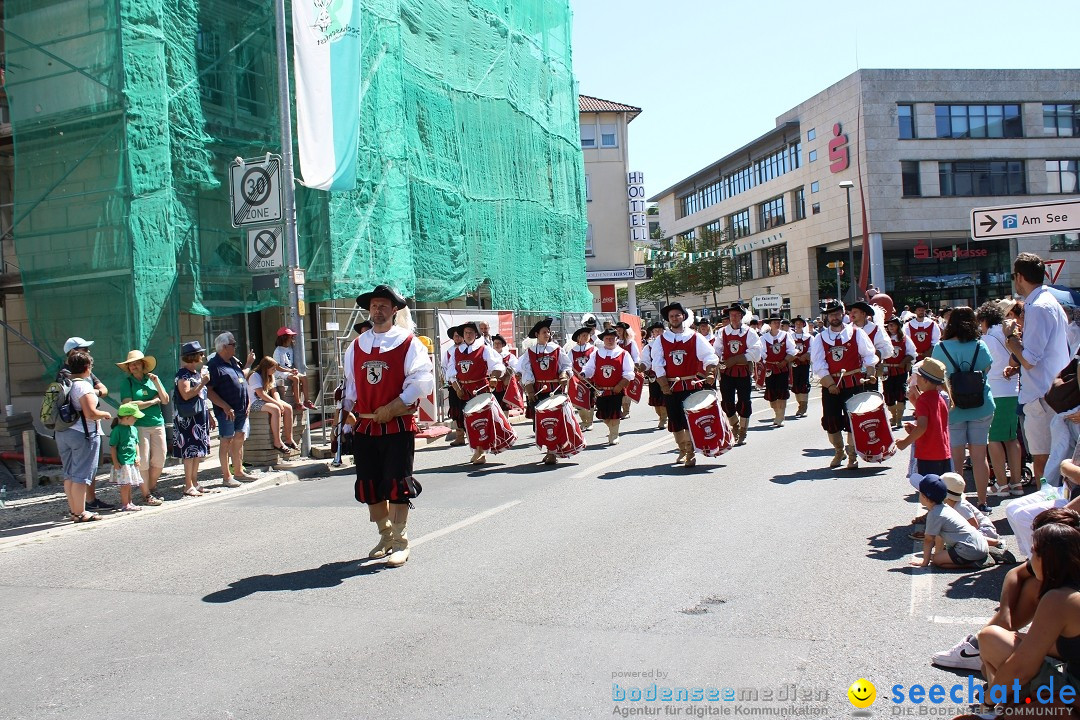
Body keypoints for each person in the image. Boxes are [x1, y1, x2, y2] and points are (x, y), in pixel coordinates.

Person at [342, 285, 434, 568]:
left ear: (395, 310)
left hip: (397, 426)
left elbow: (422, 380)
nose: (377, 309)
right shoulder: (356, 345)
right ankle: (385, 535)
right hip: (366, 427)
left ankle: (400, 541)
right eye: (374, 305)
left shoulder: (408, 342)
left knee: (396, 482)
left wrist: (394, 407)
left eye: (384, 305)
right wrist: (345, 418)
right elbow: (352, 386)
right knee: (369, 483)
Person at [934, 507, 1080, 671]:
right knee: (1034, 584)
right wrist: (1005, 612)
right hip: (1068, 635)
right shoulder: (1060, 556)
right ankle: (979, 648)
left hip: (1072, 643)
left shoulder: (1062, 591)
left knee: (997, 644)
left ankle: (987, 650)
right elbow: (1015, 573)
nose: (1033, 549)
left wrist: (993, 693)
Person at [976, 523, 1080, 714]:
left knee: (990, 640)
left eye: (1033, 553)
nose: (1030, 560)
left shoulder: (1060, 600)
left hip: (1074, 693)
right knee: (992, 661)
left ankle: (999, 710)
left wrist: (988, 701)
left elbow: (1022, 667)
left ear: (1048, 558)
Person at [1005, 253, 1072, 483]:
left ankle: (1046, 512)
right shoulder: (1050, 302)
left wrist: (1011, 341)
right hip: (1054, 392)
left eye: (1014, 276)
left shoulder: (1037, 306)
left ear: (1020, 277)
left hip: (1042, 396)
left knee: (1043, 462)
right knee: (1059, 460)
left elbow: (1030, 359)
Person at [932, 306, 996, 512]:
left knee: (956, 458)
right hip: (981, 406)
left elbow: (936, 379)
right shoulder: (980, 345)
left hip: (953, 407)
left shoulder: (940, 348)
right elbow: (986, 370)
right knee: (979, 456)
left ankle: (956, 502)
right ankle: (982, 502)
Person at [810, 301, 878, 469]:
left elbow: (869, 355)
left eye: (837, 313)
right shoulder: (820, 338)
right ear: (827, 317)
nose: (834, 317)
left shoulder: (857, 333)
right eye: (831, 314)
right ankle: (839, 451)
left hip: (853, 383)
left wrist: (870, 374)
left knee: (853, 420)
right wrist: (830, 383)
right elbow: (818, 363)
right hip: (831, 385)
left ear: (843, 314)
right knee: (831, 420)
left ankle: (852, 455)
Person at [652, 302, 719, 467]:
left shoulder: (695, 337)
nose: (674, 318)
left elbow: (709, 356)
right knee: (675, 420)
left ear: (683, 317)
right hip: (671, 386)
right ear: (668, 319)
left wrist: (710, 372)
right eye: (671, 316)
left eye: (677, 315)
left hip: (691, 384)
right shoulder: (661, 340)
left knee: (690, 419)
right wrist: (663, 385)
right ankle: (681, 449)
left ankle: (690, 452)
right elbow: (657, 363)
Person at [979, 300, 1026, 497]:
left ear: (984, 320)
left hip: (994, 391)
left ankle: (1001, 484)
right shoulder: (1010, 333)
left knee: (994, 439)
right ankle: (1016, 483)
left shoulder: (986, 339)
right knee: (1011, 438)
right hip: (1013, 390)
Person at [58, 351, 112, 522]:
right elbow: (90, 413)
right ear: (87, 367)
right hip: (83, 434)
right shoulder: (83, 386)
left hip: (62, 432)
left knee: (69, 475)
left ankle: (75, 512)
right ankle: (81, 512)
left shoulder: (66, 382)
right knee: (80, 476)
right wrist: (104, 413)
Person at [445, 322, 506, 464]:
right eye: (466, 332)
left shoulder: (484, 349)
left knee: (480, 421)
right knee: (469, 422)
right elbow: (450, 371)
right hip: (463, 391)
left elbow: (497, 365)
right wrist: (457, 388)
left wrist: (494, 377)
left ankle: (480, 451)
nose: (468, 335)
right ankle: (477, 449)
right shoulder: (456, 351)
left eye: (471, 332)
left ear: (476, 334)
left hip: (480, 391)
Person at [518, 317, 572, 465]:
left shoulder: (557, 349)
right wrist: (529, 391)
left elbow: (566, 366)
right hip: (538, 392)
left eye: (548, 332)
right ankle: (550, 448)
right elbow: (526, 371)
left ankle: (552, 452)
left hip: (554, 390)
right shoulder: (529, 352)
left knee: (553, 421)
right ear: (537, 334)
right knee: (540, 423)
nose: (547, 334)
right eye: (544, 332)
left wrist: (563, 375)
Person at [117, 349, 168, 506]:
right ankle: (147, 494)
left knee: (160, 458)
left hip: (157, 422)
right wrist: (152, 402)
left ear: (143, 364)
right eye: (130, 365)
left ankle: (151, 487)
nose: (133, 367)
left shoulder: (152, 380)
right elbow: (129, 404)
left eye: (136, 363)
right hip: (139, 425)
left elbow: (165, 400)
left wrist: (157, 382)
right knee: (143, 461)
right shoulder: (127, 383)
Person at [207, 332, 256, 488]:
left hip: (241, 408)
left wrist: (247, 402)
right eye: (233, 344)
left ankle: (239, 471)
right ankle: (226, 476)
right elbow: (209, 391)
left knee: (239, 438)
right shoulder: (214, 365)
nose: (236, 347)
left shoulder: (233, 362)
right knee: (226, 441)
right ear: (224, 347)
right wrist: (225, 406)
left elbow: (241, 379)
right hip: (227, 411)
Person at [910, 474, 990, 569]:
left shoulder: (935, 514)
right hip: (980, 544)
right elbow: (939, 536)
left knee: (937, 561)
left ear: (924, 497)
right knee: (938, 556)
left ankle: (973, 564)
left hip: (969, 549)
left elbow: (929, 539)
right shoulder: (945, 508)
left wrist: (925, 562)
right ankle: (979, 558)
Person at [896, 357, 952, 477]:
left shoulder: (923, 400)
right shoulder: (941, 398)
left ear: (926, 380)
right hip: (943, 453)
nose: (917, 381)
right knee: (942, 490)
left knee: (928, 492)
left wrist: (905, 442)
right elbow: (934, 424)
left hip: (928, 454)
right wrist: (914, 430)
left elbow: (922, 427)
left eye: (918, 377)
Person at [714, 303, 760, 446]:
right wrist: (717, 361)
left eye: (737, 314)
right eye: (732, 315)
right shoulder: (722, 332)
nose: (734, 317)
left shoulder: (749, 332)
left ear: (741, 316)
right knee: (727, 402)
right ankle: (735, 426)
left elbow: (757, 352)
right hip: (727, 371)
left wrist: (737, 359)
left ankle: (743, 431)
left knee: (744, 401)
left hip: (742, 371)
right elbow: (716, 350)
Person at [172, 341, 213, 497]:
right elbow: (186, 394)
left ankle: (194, 482)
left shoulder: (196, 374)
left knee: (197, 452)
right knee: (189, 453)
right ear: (193, 356)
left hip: (199, 418)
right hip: (187, 419)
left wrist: (208, 414)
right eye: (200, 353)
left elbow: (202, 397)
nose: (203, 356)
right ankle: (188, 484)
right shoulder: (183, 374)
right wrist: (203, 382)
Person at [582, 328, 635, 445]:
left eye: (612, 338)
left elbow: (629, 372)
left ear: (616, 339)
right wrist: (584, 373)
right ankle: (612, 429)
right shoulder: (596, 354)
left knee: (615, 412)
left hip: (616, 390)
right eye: (607, 338)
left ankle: (614, 435)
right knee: (603, 414)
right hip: (600, 390)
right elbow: (590, 368)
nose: (610, 340)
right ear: (603, 340)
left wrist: (620, 385)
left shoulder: (624, 354)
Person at [250, 356, 299, 453]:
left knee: (288, 408)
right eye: (273, 369)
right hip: (253, 402)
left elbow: (274, 391)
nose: (274, 371)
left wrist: (279, 401)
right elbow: (261, 394)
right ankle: (277, 441)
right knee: (275, 409)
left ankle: (289, 439)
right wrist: (277, 404)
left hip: (264, 400)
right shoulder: (254, 376)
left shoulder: (270, 376)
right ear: (266, 368)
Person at [757, 315, 796, 427]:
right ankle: (776, 413)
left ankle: (780, 416)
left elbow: (792, 350)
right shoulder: (763, 338)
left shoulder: (786, 335)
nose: (776, 324)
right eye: (774, 322)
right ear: (770, 324)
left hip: (782, 367)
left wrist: (784, 361)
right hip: (770, 368)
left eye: (778, 322)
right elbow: (762, 354)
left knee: (782, 391)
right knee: (772, 392)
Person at [848, 300, 893, 393]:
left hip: (870, 374)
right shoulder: (846, 330)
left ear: (863, 314)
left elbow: (888, 349)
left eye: (855, 312)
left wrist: (874, 354)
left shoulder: (876, 329)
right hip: (851, 374)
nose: (852, 314)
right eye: (851, 312)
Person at [109, 403, 146, 512]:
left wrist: (138, 456)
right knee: (125, 485)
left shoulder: (134, 429)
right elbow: (113, 447)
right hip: (123, 462)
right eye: (134, 417)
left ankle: (130, 502)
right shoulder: (117, 430)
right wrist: (115, 462)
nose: (136, 419)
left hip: (131, 462)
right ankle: (125, 504)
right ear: (126, 417)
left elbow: (136, 444)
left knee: (129, 484)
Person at [881, 317, 917, 429]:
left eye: (893, 325)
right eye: (889, 325)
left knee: (900, 393)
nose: (891, 327)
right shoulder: (884, 339)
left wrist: (903, 362)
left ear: (898, 326)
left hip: (900, 371)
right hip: (887, 371)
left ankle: (899, 419)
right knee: (888, 394)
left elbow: (912, 354)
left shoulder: (905, 339)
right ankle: (894, 416)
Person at [273, 327, 316, 411]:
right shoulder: (277, 351)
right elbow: (277, 366)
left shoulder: (290, 349)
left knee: (303, 377)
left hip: (288, 371)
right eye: (290, 337)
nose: (292, 339)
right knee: (295, 378)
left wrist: (293, 370)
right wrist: (290, 371)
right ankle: (298, 403)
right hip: (280, 372)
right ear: (284, 337)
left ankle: (307, 401)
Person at [638, 321, 668, 430]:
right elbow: (646, 361)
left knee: (664, 397)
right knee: (656, 399)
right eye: (656, 331)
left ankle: (664, 419)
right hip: (653, 377)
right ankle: (661, 416)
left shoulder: (668, 343)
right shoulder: (649, 347)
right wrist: (641, 367)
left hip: (666, 375)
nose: (658, 332)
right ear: (653, 333)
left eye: (660, 330)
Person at [569, 327, 597, 431]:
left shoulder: (593, 349)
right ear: (578, 338)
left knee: (590, 400)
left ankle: (589, 422)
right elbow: (568, 365)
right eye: (583, 335)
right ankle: (584, 420)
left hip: (590, 380)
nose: (586, 337)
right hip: (577, 381)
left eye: (587, 335)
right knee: (579, 401)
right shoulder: (572, 352)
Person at [443, 325, 467, 446]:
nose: (457, 338)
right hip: (454, 385)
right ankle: (460, 436)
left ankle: (473, 435)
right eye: (455, 336)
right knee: (456, 411)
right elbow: (445, 367)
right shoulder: (449, 351)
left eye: (459, 335)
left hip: (467, 385)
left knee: (468, 410)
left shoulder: (469, 349)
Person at [615, 321, 641, 420]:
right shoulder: (616, 342)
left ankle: (626, 411)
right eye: (617, 330)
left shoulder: (631, 343)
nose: (618, 332)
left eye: (620, 330)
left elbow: (635, 356)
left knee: (626, 390)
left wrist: (635, 366)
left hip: (627, 369)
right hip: (617, 370)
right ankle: (618, 409)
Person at [790, 317, 813, 418]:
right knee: (796, 384)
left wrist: (806, 356)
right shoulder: (790, 337)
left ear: (803, 325)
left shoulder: (809, 337)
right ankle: (800, 404)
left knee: (804, 383)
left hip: (804, 364)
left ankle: (803, 407)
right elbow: (788, 348)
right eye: (796, 323)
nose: (798, 325)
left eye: (800, 323)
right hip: (794, 364)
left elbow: (812, 349)